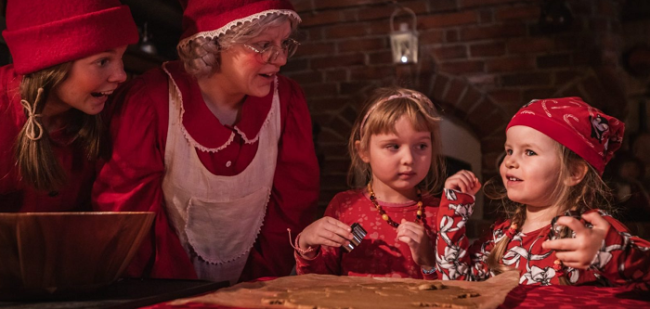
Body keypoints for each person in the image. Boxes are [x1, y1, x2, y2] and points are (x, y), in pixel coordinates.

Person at [93, 0, 320, 284]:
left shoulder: (286, 101)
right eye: (263, 45)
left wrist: (255, 287)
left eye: (284, 42)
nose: (281, 59)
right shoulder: (152, 100)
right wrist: (186, 295)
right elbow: (129, 219)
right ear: (213, 45)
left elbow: (293, 206)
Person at [436, 97, 650, 289]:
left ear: (573, 172)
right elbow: (457, 284)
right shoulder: (500, 235)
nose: (509, 161)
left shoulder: (592, 234)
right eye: (509, 150)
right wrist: (453, 212)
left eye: (529, 152)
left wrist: (611, 255)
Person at [0, 0, 138, 212]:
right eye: (103, 61)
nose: (121, 76)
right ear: (51, 64)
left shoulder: (110, 113)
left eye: (122, 58)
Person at [294, 87, 445, 279]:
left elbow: (454, 292)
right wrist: (307, 244)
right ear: (363, 151)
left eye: (421, 146)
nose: (408, 158)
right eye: (393, 146)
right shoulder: (345, 206)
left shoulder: (440, 213)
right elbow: (318, 283)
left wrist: (428, 262)